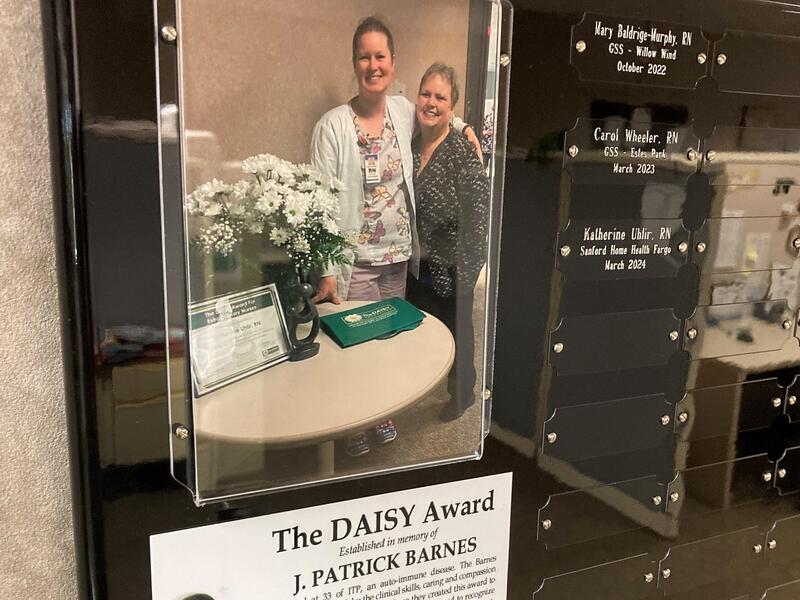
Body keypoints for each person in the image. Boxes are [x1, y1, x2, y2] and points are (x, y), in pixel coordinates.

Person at [310, 17, 480, 454]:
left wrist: (464, 127)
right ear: (354, 63)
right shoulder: (332, 126)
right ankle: (352, 421)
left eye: (380, 56)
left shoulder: (403, 111)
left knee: (387, 341)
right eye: (364, 56)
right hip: (357, 259)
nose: (373, 64)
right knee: (353, 344)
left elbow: (439, 112)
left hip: (399, 259)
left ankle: (380, 411)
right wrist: (326, 270)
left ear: (392, 61)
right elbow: (321, 202)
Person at [408, 63, 490, 422]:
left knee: (459, 334)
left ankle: (464, 393)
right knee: (424, 334)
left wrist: (465, 278)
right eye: (426, 93)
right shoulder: (407, 145)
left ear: (451, 106)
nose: (431, 103)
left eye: (440, 97)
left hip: (451, 268)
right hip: (413, 266)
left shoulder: (462, 155)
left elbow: (480, 223)